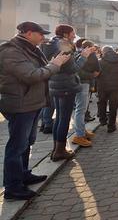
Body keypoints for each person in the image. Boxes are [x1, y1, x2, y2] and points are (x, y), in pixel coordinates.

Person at [0, 22, 70, 200]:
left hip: (31, 103)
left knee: (27, 142)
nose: (43, 37)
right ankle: (13, 187)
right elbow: (32, 76)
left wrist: (55, 64)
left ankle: (23, 174)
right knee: (16, 146)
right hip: (20, 105)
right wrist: (55, 64)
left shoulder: (31, 48)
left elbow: (42, 71)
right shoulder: (12, 51)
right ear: (29, 33)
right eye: (40, 34)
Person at [42, 24, 93, 162]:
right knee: (63, 119)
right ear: (65, 34)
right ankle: (60, 151)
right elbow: (72, 69)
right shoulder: (63, 45)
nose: (74, 35)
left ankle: (56, 149)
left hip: (55, 84)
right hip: (66, 86)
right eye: (72, 33)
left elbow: (63, 65)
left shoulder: (51, 44)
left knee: (59, 118)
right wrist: (83, 57)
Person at [72, 40, 100, 147]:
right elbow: (97, 71)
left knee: (80, 109)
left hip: (79, 83)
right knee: (81, 109)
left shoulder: (78, 54)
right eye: (93, 47)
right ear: (90, 47)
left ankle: (82, 131)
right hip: (84, 83)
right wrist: (91, 76)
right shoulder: (91, 55)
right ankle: (79, 135)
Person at [97, 46, 118, 133]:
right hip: (117, 86)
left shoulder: (100, 61)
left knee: (102, 102)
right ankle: (111, 126)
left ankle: (103, 120)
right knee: (113, 107)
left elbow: (96, 73)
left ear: (104, 52)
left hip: (103, 86)